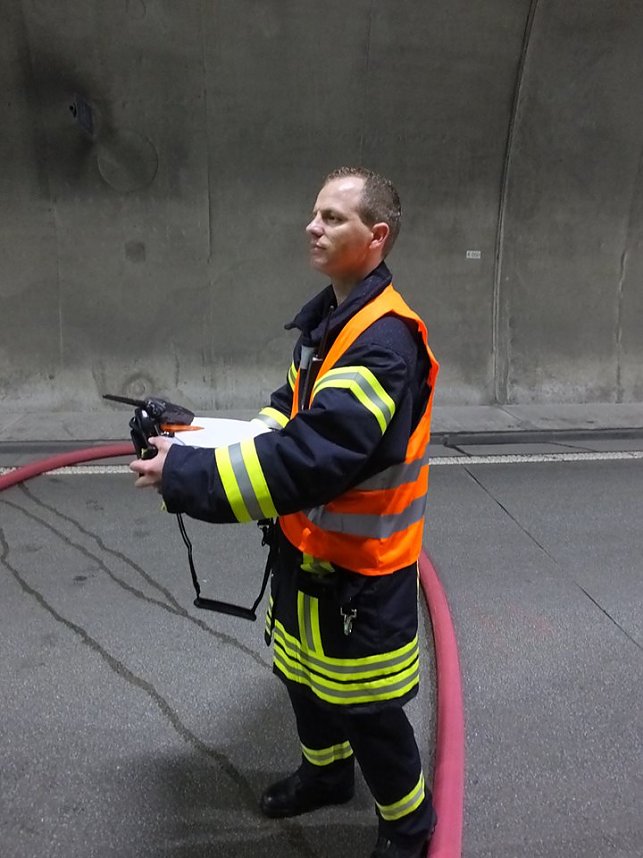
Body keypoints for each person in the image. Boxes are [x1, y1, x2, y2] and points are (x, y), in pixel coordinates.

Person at [130, 166, 439, 858]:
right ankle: (325, 776)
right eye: (314, 214)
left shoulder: (384, 343)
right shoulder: (334, 321)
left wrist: (188, 475)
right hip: (308, 555)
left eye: (333, 217)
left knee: (368, 710)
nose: (313, 226)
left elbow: (314, 455)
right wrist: (198, 434)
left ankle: (409, 829)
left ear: (376, 236)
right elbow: (291, 408)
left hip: (363, 575)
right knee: (301, 676)